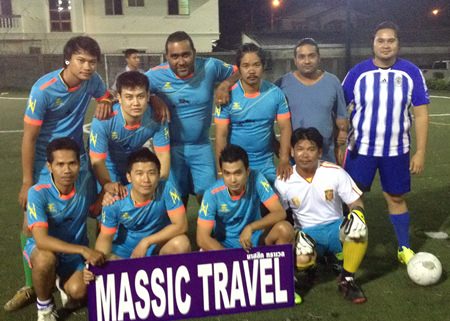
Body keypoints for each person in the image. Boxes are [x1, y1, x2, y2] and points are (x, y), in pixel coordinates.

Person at [5, 36, 112, 312]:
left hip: (78, 160)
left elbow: (105, 93)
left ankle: (94, 266)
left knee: (95, 207)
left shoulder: (92, 80)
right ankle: (33, 284)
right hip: (45, 162)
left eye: (91, 61)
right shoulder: (44, 89)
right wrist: (28, 181)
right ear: (68, 60)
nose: (87, 67)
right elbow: (29, 138)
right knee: (30, 220)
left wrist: (106, 100)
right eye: (81, 60)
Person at [342, 21, 429, 265]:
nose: (386, 45)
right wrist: (340, 143)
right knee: (353, 199)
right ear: (373, 43)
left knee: (396, 198)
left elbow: (421, 114)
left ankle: (403, 248)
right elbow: (340, 109)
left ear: (398, 44)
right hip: (360, 150)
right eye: (381, 40)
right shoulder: (358, 73)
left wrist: (420, 152)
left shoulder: (411, 72)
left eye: (391, 40)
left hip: (396, 151)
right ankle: (351, 247)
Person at [275, 127, 368, 304]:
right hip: (308, 234)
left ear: (319, 152)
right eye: (300, 149)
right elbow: (281, 215)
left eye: (311, 149)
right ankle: (311, 267)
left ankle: (347, 279)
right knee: (303, 255)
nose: (305, 154)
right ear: (292, 151)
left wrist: (357, 214)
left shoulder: (335, 172)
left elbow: (356, 202)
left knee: (358, 225)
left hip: (336, 230)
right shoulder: (283, 180)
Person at [145, 31, 239, 206]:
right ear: (167, 57)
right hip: (170, 148)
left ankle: (208, 233)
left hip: (201, 146)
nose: (181, 61)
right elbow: (126, 88)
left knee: (208, 199)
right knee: (176, 200)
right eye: (174, 56)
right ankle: (179, 232)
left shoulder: (210, 67)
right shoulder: (154, 75)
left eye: (185, 55)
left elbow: (240, 70)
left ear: (194, 53)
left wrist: (225, 84)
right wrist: (152, 97)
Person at [23, 138, 106, 321]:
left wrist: (105, 195)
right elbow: (42, 240)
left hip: (73, 253)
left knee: (79, 292)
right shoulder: (37, 192)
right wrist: (84, 250)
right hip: (44, 249)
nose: (67, 170)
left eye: (72, 163)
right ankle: (45, 308)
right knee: (46, 259)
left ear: (79, 164)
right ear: (49, 166)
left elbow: (94, 210)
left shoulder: (86, 180)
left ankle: (61, 282)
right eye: (60, 164)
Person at [88, 148, 190, 261]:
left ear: (158, 175)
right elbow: (105, 238)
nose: (146, 179)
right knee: (107, 259)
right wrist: (97, 263)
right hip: (125, 254)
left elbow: (181, 225)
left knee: (181, 243)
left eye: (151, 173)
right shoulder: (114, 200)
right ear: (129, 177)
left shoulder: (167, 189)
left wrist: (146, 242)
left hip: (156, 248)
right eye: (139, 173)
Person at [214, 43, 292, 185]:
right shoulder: (227, 96)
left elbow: (285, 128)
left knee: (280, 200)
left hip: (265, 164)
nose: (251, 70)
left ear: (263, 66)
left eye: (256, 65)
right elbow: (221, 135)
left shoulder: (275, 94)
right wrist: (221, 171)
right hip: (236, 165)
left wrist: (284, 159)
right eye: (246, 65)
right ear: (239, 68)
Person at [89, 71, 170, 198]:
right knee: (108, 204)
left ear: (148, 96)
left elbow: (163, 155)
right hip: (108, 167)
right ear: (119, 98)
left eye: (140, 96)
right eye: (129, 97)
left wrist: (158, 183)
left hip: (135, 166)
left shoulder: (157, 116)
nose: (135, 103)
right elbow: (98, 161)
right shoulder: (103, 120)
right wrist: (107, 185)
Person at [275, 38, 348, 164]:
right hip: (294, 159)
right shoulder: (282, 84)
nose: (307, 61)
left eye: (311, 56)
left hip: (326, 157)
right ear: (295, 60)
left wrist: (339, 145)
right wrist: (280, 150)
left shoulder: (333, 82)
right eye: (302, 57)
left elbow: (341, 117)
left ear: (319, 58)